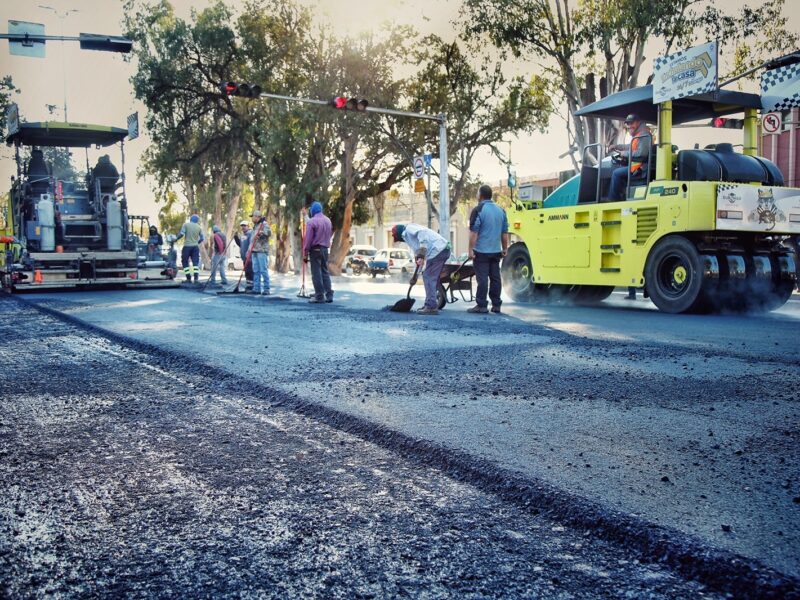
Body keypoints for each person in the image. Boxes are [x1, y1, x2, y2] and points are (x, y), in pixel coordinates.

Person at [391, 223, 449, 315]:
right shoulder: (412, 241)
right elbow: (419, 261)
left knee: (428, 276)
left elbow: (422, 233)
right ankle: (430, 303)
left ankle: (431, 307)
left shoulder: (409, 229)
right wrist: (415, 277)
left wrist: (422, 252)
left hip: (438, 250)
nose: (402, 241)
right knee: (429, 276)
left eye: (399, 239)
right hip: (440, 250)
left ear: (400, 235)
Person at [468, 185, 509, 314]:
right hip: (496, 251)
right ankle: (496, 304)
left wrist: (470, 250)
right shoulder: (501, 211)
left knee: (482, 279)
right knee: (495, 278)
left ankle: (481, 305)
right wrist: (505, 248)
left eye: (477, 194)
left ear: (480, 195)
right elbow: (504, 232)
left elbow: (474, 233)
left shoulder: (478, 210)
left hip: (481, 252)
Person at [607, 113, 652, 201]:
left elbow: (641, 154)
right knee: (618, 171)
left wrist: (624, 154)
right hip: (636, 167)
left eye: (632, 123)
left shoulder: (644, 135)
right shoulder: (639, 135)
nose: (629, 126)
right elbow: (630, 146)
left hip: (640, 169)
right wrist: (616, 146)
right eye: (628, 123)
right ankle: (623, 196)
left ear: (638, 122)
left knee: (616, 173)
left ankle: (612, 200)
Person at [303, 201, 334, 304]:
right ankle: (329, 295)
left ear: (313, 210)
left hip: (315, 249)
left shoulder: (312, 222)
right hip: (325, 249)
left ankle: (319, 296)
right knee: (325, 272)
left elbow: (308, 240)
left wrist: (305, 253)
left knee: (316, 273)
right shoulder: (328, 220)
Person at [175, 214, 204, 283]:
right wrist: (196, 242)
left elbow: (182, 234)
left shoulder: (186, 225)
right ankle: (196, 279)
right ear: (197, 220)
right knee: (195, 263)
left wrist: (176, 239)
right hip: (195, 247)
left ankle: (188, 278)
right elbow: (202, 238)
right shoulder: (199, 227)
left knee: (185, 262)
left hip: (187, 247)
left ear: (191, 219)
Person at [249, 210, 271, 295]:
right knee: (256, 270)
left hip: (261, 250)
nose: (252, 218)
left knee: (263, 270)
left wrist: (261, 233)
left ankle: (266, 289)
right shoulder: (255, 226)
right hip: (254, 250)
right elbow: (252, 239)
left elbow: (268, 233)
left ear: (258, 217)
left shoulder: (264, 224)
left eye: (253, 217)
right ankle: (256, 288)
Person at [234, 220, 254, 289]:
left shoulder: (250, 234)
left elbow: (251, 244)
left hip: (249, 257)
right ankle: (248, 285)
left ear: (248, 226)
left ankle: (251, 285)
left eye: (244, 226)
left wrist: (249, 253)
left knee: (250, 271)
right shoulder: (243, 235)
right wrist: (236, 238)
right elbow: (240, 244)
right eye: (242, 226)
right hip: (244, 257)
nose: (243, 227)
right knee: (246, 271)